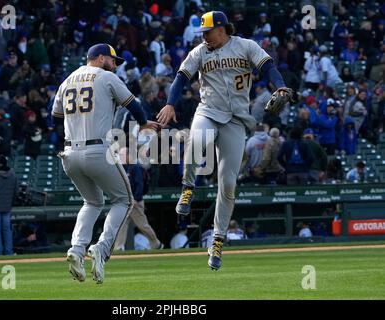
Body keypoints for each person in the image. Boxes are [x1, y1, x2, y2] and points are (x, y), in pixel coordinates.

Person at [156, 11, 292, 270]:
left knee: (228, 183)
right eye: (202, 33)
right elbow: (181, 77)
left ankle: (217, 239)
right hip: (208, 110)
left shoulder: (245, 46)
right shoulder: (199, 52)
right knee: (196, 140)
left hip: (237, 119)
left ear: (222, 29)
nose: (204, 36)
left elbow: (268, 67)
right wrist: (171, 104)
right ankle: (187, 189)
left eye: (207, 31)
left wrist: (280, 86)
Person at [53, 43, 159, 284]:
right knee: (124, 199)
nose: (115, 65)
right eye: (113, 60)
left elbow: (54, 117)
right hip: (98, 149)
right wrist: (143, 123)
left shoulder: (67, 79)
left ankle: (77, 249)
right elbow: (134, 105)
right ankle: (101, 247)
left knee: (92, 201)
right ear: (100, 58)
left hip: (70, 153)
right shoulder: (106, 77)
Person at [114, 147, 163, 251]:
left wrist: (135, 199)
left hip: (135, 202)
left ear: (128, 156)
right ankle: (119, 247)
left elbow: (139, 185)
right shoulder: (125, 167)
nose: (121, 157)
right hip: (127, 202)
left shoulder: (135, 167)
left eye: (122, 155)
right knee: (122, 224)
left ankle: (156, 244)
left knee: (142, 225)